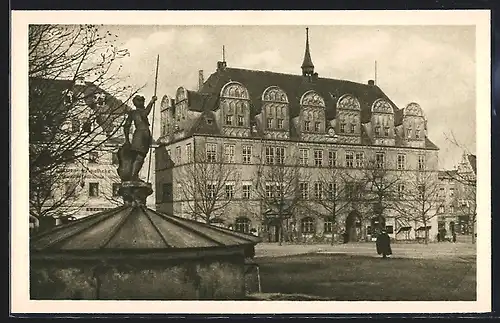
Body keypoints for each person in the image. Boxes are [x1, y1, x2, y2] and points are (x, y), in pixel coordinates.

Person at [122, 95, 157, 182]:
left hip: (139, 135)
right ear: (139, 103)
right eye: (142, 101)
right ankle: (133, 176)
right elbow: (145, 113)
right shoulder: (139, 112)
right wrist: (151, 102)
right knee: (140, 157)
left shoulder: (132, 113)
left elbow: (126, 126)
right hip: (142, 135)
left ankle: (134, 175)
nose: (143, 103)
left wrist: (127, 139)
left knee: (138, 157)